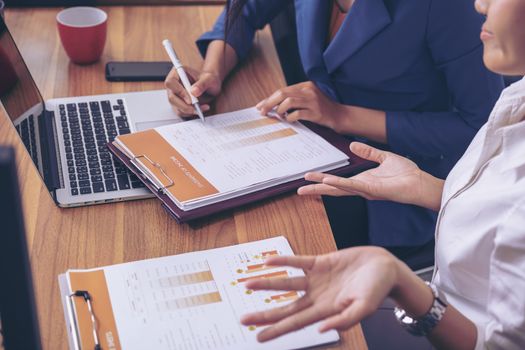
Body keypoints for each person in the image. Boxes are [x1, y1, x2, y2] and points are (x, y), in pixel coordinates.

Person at [239, 0, 525, 348]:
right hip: (434, 275)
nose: (479, 4)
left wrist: (404, 287)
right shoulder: (516, 99)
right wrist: (431, 189)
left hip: (432, 306)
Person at [165, 0, 504, 260]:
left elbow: (480, 129)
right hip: (314, 143)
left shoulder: (449, 7)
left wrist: (340, 115)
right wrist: (212, 72)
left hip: (401, 188)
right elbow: (247, 10)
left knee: (258, 245)